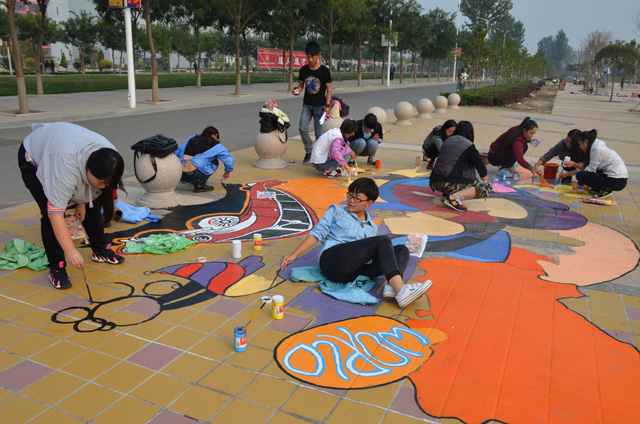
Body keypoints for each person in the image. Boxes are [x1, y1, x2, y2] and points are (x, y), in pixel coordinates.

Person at [280, 177, 432, 308]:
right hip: (332, 262)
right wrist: (295, 255)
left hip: (353, 272)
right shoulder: (336, 211)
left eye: (357, 199)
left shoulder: (372, 226)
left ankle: (392, 288)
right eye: (350, 195)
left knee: (401, 250)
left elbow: (367, 254)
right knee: (383, 241)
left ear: (369, 202)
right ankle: (401, 290)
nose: (351, 201)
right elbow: (317, 233)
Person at [18, 123, 126, 290]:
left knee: (92, 205)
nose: (103, 187)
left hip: (65, 148)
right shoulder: (65, 169)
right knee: (49, 214)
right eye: (100, 182)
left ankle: (99, 249)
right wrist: (71, 251)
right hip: (34, 158)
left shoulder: (110, 157)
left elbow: (89, 187)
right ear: (88, 169)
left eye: (107, 184)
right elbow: (56, 214)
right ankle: (57, 266)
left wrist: (81, 202)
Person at [429, 121, 491, 212]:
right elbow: (481, 167)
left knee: (455, 171)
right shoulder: (469, 146)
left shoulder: (448, 141)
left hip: (435, 181)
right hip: (447, 183)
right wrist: (485, 186)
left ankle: (447, 194)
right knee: (486, 188)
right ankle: (453, 198)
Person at [293, 41, 333, 164]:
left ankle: (319, 157)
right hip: (307, 105)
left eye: (312, 57)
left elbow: (329, 88)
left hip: (320, 106)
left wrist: (327, 105)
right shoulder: (303, 70)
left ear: (318, 56)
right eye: (308, 57)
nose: (310, 59)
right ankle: (309, 151)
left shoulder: (324, 71)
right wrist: (296, 90)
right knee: (302, 128)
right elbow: (301, 86)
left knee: (318, 133)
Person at [562, 129, 628, 199]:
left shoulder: (596, 150)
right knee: (584, 173)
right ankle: (601, 188)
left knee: (581, 175)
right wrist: (566, 174)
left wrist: (575, 164)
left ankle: (606, 189)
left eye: (580, 144)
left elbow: (590, 170)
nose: (580, 147)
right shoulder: (594, 146)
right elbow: (587, 167)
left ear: (585, 142)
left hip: (616, 181)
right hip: (617, 179)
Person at [175, 126, 234, 192]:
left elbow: (178, 152)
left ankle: (192, 180)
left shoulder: (192, 138)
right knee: (214, 161)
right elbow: (229, 160)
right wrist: (227, 171)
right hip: (194, 175)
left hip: (179, 174)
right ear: (216, 135)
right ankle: (200, 184)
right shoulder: (216, 145)